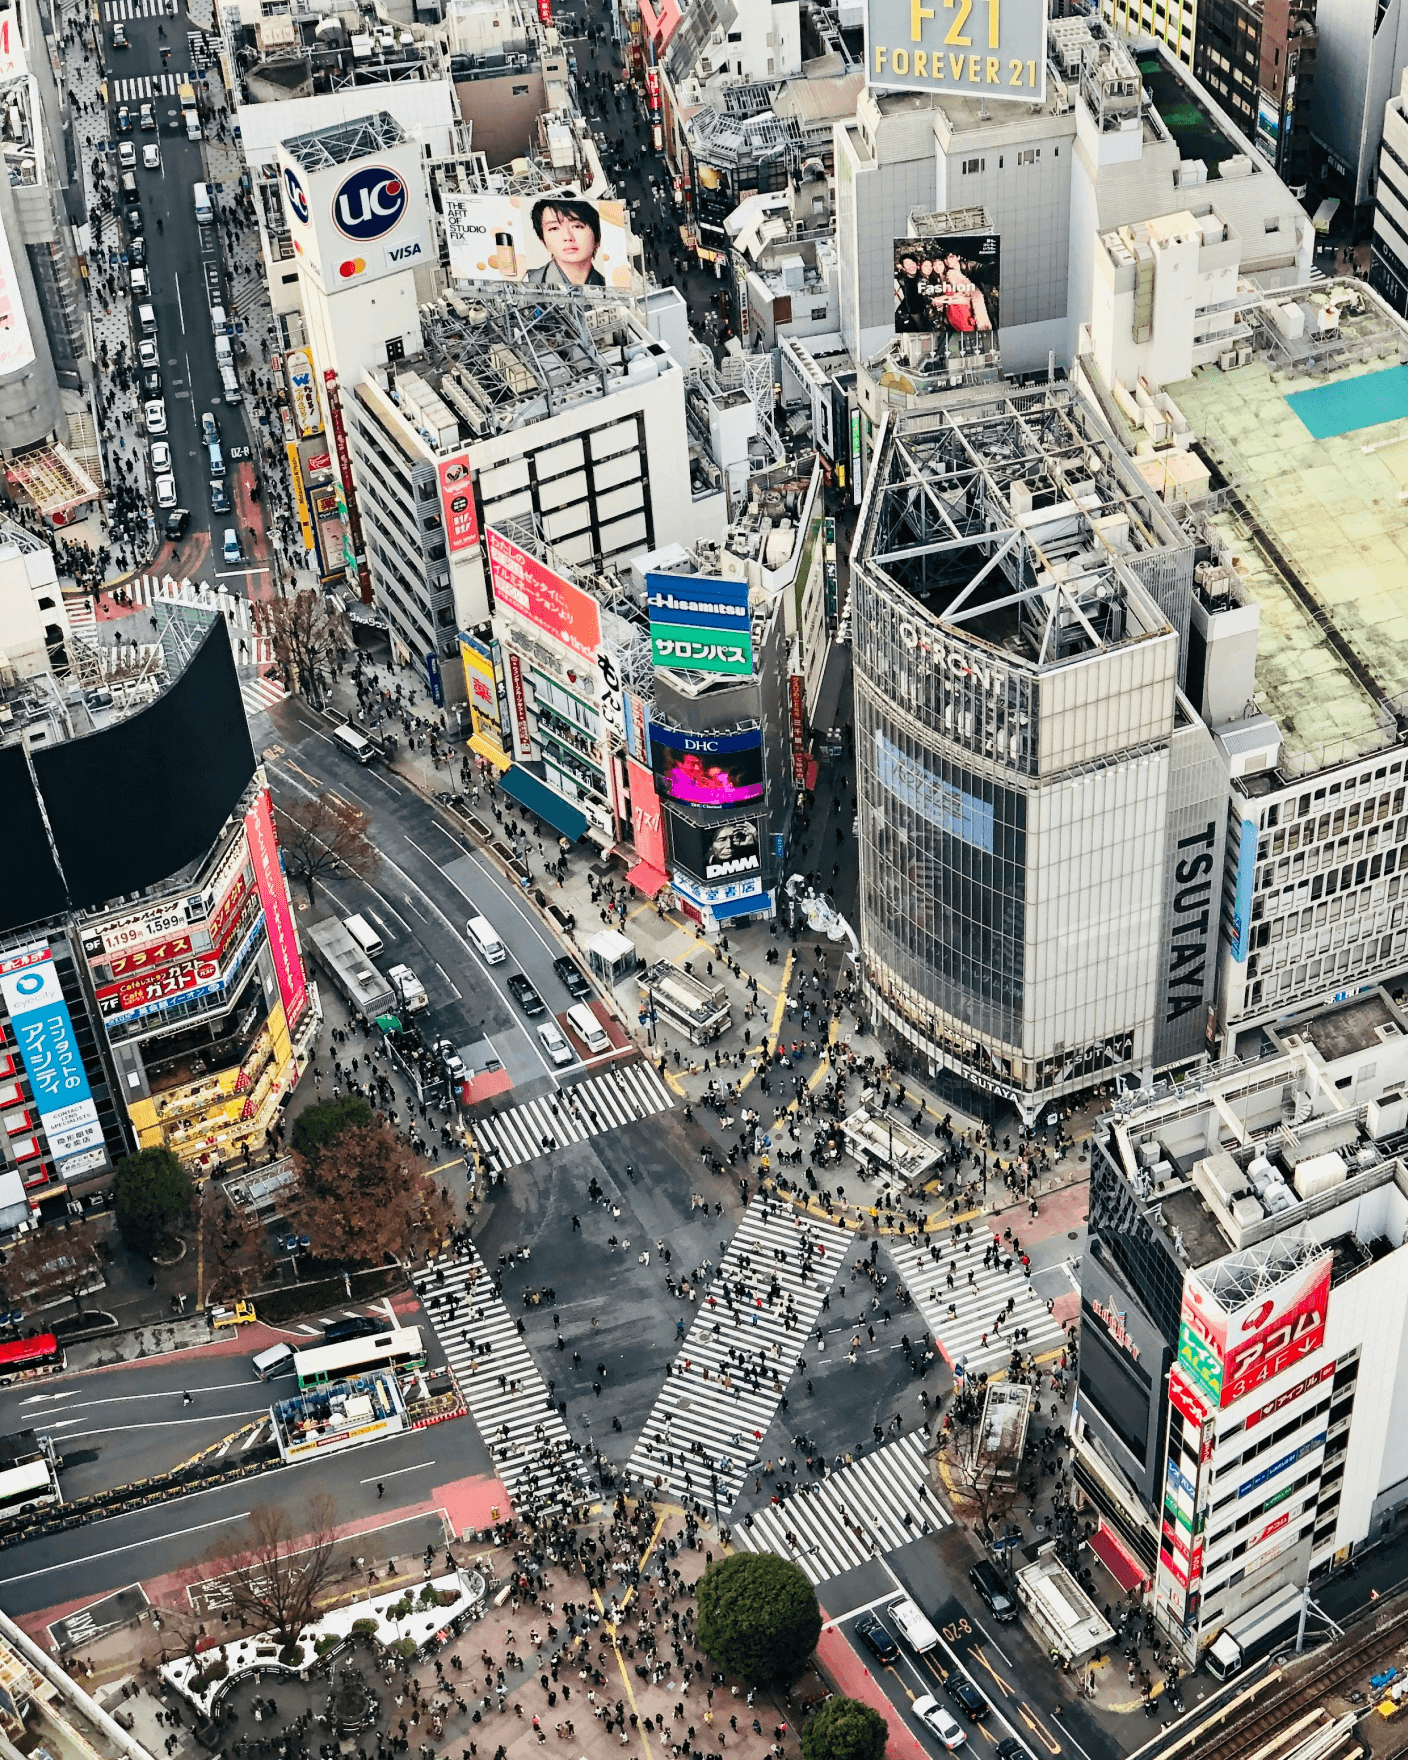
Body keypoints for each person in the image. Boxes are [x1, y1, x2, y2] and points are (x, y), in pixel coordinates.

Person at [525, 198, 607, 288]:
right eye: (554, 228)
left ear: (597, 238)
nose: (568, 237)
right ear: (543, 241)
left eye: (577, 226)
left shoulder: (611, 285)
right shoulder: (525, 282)